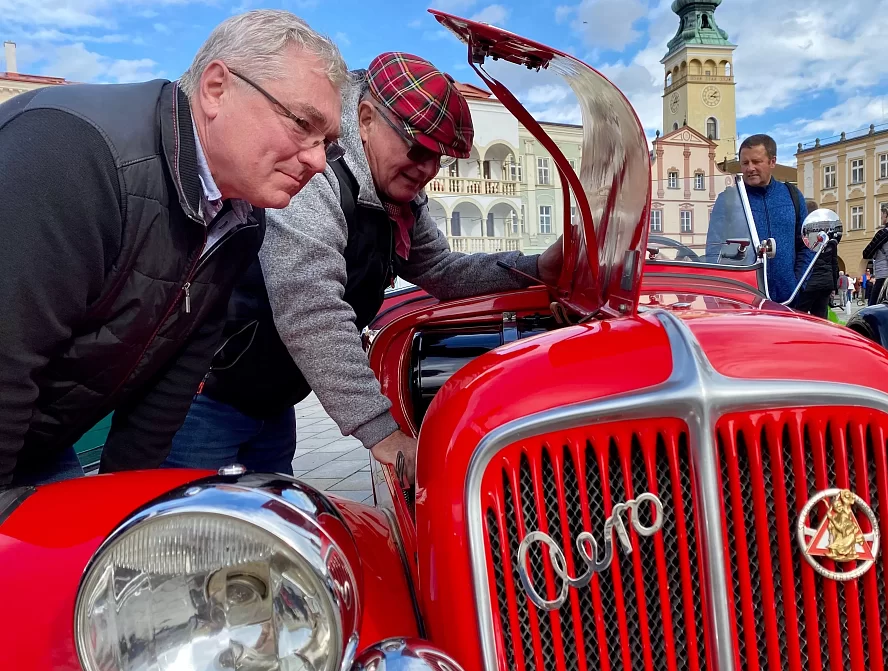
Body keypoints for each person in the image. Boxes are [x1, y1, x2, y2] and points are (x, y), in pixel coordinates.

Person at [164, 53, 563, 483]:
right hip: (205, 398)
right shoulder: (316, 175)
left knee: (266, 512)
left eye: (440, 158)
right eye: (419, 150)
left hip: (273, 398)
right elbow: (311, 309)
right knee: (193, 518)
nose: (428, 170)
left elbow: (441, 268)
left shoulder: (400, 199)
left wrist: (538, 267)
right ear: (367, 119)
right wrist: (383, 433)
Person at [0, 10, 345, 490]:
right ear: (216, 89)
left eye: (327, 142)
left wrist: (122, 502)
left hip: (39, 438)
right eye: (302, 124)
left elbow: (174, 377)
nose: (318, 161)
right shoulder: (71, 153)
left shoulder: (241, 220)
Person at [719, 134, 816, 303]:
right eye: (745, 163)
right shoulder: (728, 199)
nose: (750, 168)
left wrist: (797, 285)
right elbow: (714, 248)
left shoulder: (792, 195)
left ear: (772, 162)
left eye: (756, 162)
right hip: (743, 299)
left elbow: (806, 245)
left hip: (788, 300)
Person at [792, 199, 839, 318]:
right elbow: (834, 263)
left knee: (799, 316)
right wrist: (833, 286)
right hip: (826, 283)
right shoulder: (829, 237)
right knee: (821, 318)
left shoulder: (804, 236)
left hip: (808, 283)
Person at [863, 201, 888, 306]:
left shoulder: (884, 232)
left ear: (886, 214)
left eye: (882, 214)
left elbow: (866, 253)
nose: (881, 217)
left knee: (873, 305)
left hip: (884, 275)